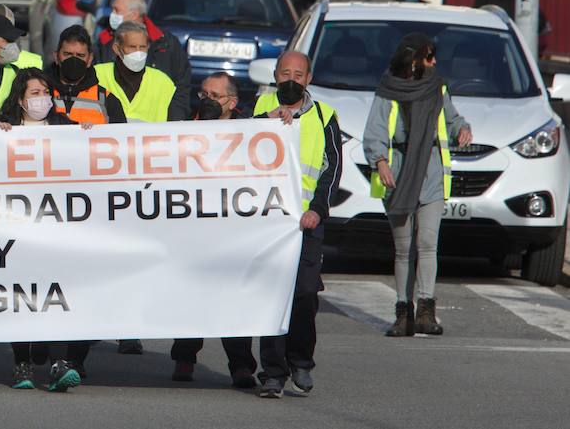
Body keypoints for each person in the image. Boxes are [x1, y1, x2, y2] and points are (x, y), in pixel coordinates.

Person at [364, 33, 471, 337]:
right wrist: (380, 162)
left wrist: (463, 128)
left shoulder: (437, 87)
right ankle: (403, 314)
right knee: (403, 249)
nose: (434, 62)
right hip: (397, 173)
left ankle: (426, 312)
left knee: (427, 243)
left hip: (431, 173)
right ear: (413, 60)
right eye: (429, 56)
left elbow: (451, 119)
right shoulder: (387, 90)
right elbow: (374, 131)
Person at [0, 68, 93, 391]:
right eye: (34, 93)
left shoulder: (63, 126)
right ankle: (21, 362)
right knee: (21, 294)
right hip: (18, 225)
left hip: (56, 225)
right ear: (20, 99)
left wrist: (90, 134)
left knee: (58, 293)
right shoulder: (5, 127)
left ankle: (57, 364)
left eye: (45, 92)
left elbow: (88, 156)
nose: (41, 99)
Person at [253, 50, 344, 398]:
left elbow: (331, 170)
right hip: (268, 225)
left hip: (307, 224)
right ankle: (273, 373)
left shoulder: (325, 116)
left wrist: (318, 210)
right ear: (275, 76)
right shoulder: (259, 113)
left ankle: (301, 363)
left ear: (308, 79)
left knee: (305, 294)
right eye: (285, 73)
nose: (291, 80)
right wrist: (267, 124)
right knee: (273, 297)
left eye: (298, 74)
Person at [169, 71, 259, 387]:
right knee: (190, 293)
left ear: (232, 103)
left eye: (215, 96)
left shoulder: (249, 132)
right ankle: (184, 357)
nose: (207, 101)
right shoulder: (182, 128)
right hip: (192, 226)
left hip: (231, 228)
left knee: (232, 295)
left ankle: (241, 366)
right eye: (203, 95)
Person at [95, 0, 191, 119]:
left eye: (116, 10)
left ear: (134, 14)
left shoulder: (166, 44)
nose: (112, 14)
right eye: (132, 47)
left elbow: (181, 88)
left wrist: (175, 121)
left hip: (154, 131)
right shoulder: (105, 41)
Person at [93, 21, 183, 122]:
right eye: (132, 47)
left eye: (142, 47)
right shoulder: (97, 75)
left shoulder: (163, 82)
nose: (138, 53)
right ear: (117, 49)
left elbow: (175, 123)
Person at [48, 25, 127, 124]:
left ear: (89, 59)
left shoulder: (107, 100)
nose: (74, 60)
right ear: (56, 56)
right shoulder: (42, 94)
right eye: (67, 54)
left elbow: (121, 136)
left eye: (80, 55)